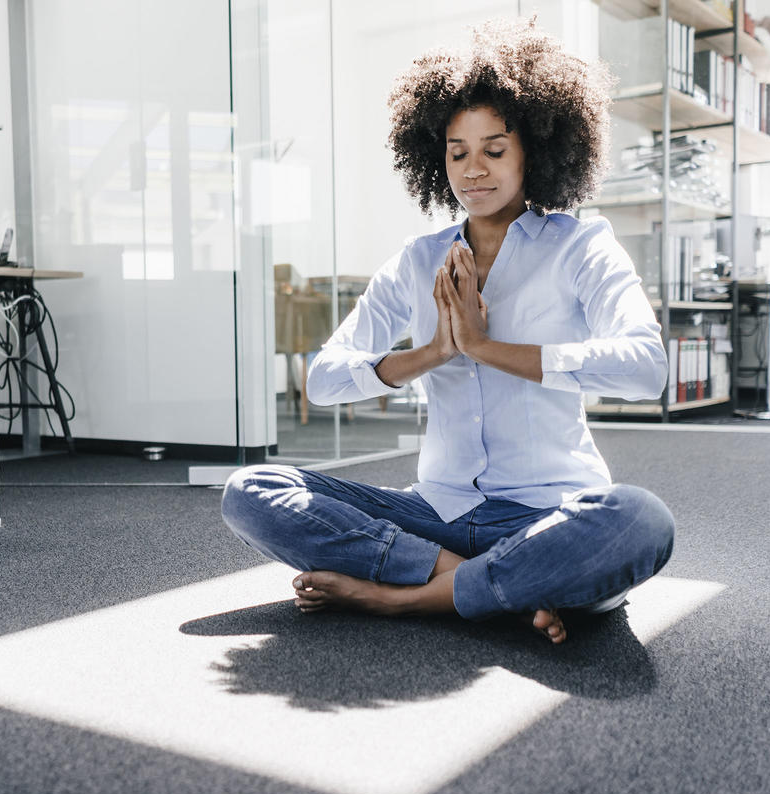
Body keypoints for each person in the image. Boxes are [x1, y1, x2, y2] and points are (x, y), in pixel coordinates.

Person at [221, 20, 675, 644]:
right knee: (251, 489)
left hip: (550, 513)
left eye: (494, 149)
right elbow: (323, 380)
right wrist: (434, 352)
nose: (474, 170)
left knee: (639, 520)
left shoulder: (581, 245)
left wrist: (488, 349)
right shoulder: (417, 259)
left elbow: (645, 367)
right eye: (457, 152)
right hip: (434, 512)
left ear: (533, 153)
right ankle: (486, 587)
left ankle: (406, 597)